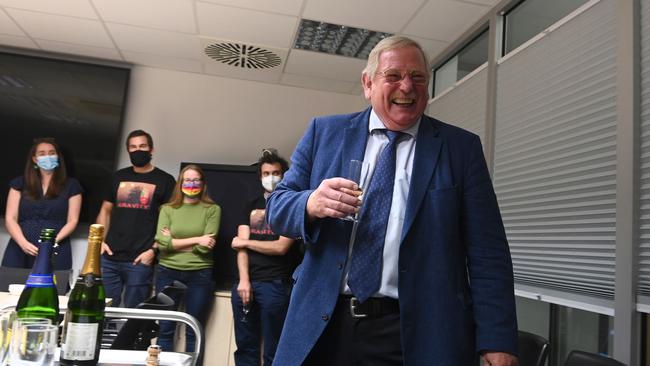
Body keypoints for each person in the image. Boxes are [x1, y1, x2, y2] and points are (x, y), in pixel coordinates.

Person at [266, 36, 518, 366]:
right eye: (393, 76)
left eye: (417, 77)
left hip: (416, 333)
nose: (407, 87)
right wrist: (310, 203)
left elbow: (488, 252)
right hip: (323, 327)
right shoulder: (324, 133)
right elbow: (277, 208)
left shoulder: (460, 149)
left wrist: (497, 339)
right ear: (368, 84)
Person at [231, 150, 298, 366]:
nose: (271, 177)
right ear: (260, 177)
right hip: (246, 285)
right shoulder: (250, 205)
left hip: (276, 285)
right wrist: (243, 281)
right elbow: (240, 249)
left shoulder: (291, 205)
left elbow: (281, 247)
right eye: (267, 173)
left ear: (284, 175)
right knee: (245, 347)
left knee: (274, 348)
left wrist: (247, 242)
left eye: (276, 172)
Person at [96, 130, 175, 307]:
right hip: (109, 257)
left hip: (140, 258)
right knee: (104, 311)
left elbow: (169, 220)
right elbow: (105, 210)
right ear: (128, 150)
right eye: (133, 147)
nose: (137, 150)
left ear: (151, 150)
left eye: (142, 146)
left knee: (134, 314)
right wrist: (100, 241)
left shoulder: (165, 180)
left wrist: (153, 251)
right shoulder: (117, 177)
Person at [154, 164, 221, 353]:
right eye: (187, 180)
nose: (192, 184)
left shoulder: (212, 209)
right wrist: (198, 239)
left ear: (203, 183)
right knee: (165, 329)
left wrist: (174, 241)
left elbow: (204, 250)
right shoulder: (167, 209)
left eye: (196, 180)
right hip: (168, 272)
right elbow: (161, 244)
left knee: (194, 330)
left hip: (199, 275)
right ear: (180, 183)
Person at [3, 137, 82, 270]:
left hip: (56, 247)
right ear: (34, 159)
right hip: (20, 247)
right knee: (11, 287)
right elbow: (10, 218)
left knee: (53, 288)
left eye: (52, 153)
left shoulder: (72, 185)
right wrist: (23, 243)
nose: (48, 156)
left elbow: (72, 221)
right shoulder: (19, 183)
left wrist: (50, 242)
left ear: (58, 156)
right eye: (42, 153)